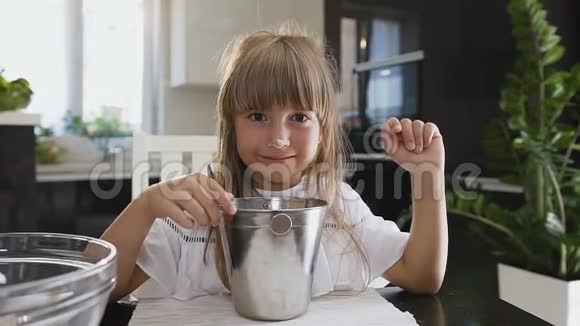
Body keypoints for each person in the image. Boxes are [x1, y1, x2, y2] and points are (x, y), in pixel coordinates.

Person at [101, 24, 447, 302]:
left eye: (298, 116)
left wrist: (427, 175)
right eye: (257, 115)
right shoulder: (197, 205)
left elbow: (421, 276)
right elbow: (105, 285)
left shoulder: (339, 205)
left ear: (323, 129)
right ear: (230, 123)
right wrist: (144, 207)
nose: (279, 138)